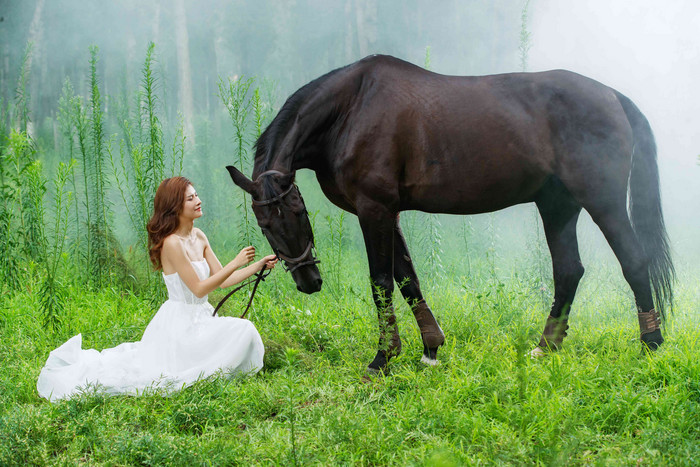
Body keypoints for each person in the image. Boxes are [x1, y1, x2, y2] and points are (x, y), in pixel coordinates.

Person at [37, 176, 277, 402]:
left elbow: (224, 280)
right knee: (241, 331)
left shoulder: (199, 236)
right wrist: (235, 262)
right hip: (180, 326)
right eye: (190, 198)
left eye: (197, 195)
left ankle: (213, 369)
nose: (199, 200)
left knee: (244, 331)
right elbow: (198, 289)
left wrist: (258, 265)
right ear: (175, 207)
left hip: (202, 318)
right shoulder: (172, 243)